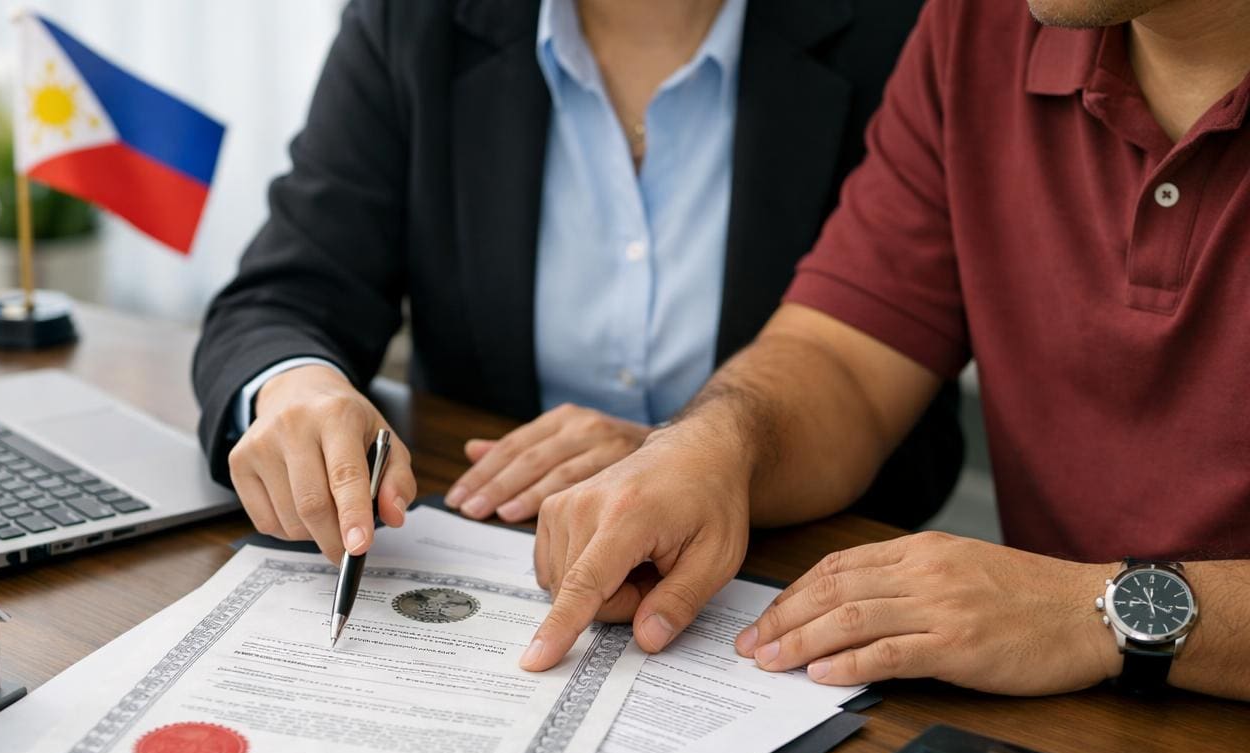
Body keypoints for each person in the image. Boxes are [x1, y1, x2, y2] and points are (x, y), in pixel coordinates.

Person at [520, 0, 1250, 703]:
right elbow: (847, 358)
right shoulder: (980, 22)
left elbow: (1074, 616)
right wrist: (713, 450)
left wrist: (1098, 610)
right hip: (1070, 718)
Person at [192, 0, 965, 565]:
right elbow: (285, 293)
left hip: (785, 583)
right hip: (490, 562)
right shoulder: (415, 20)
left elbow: (897, 409)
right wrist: (294, 389)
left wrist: (694, 455)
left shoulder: (904, 33)